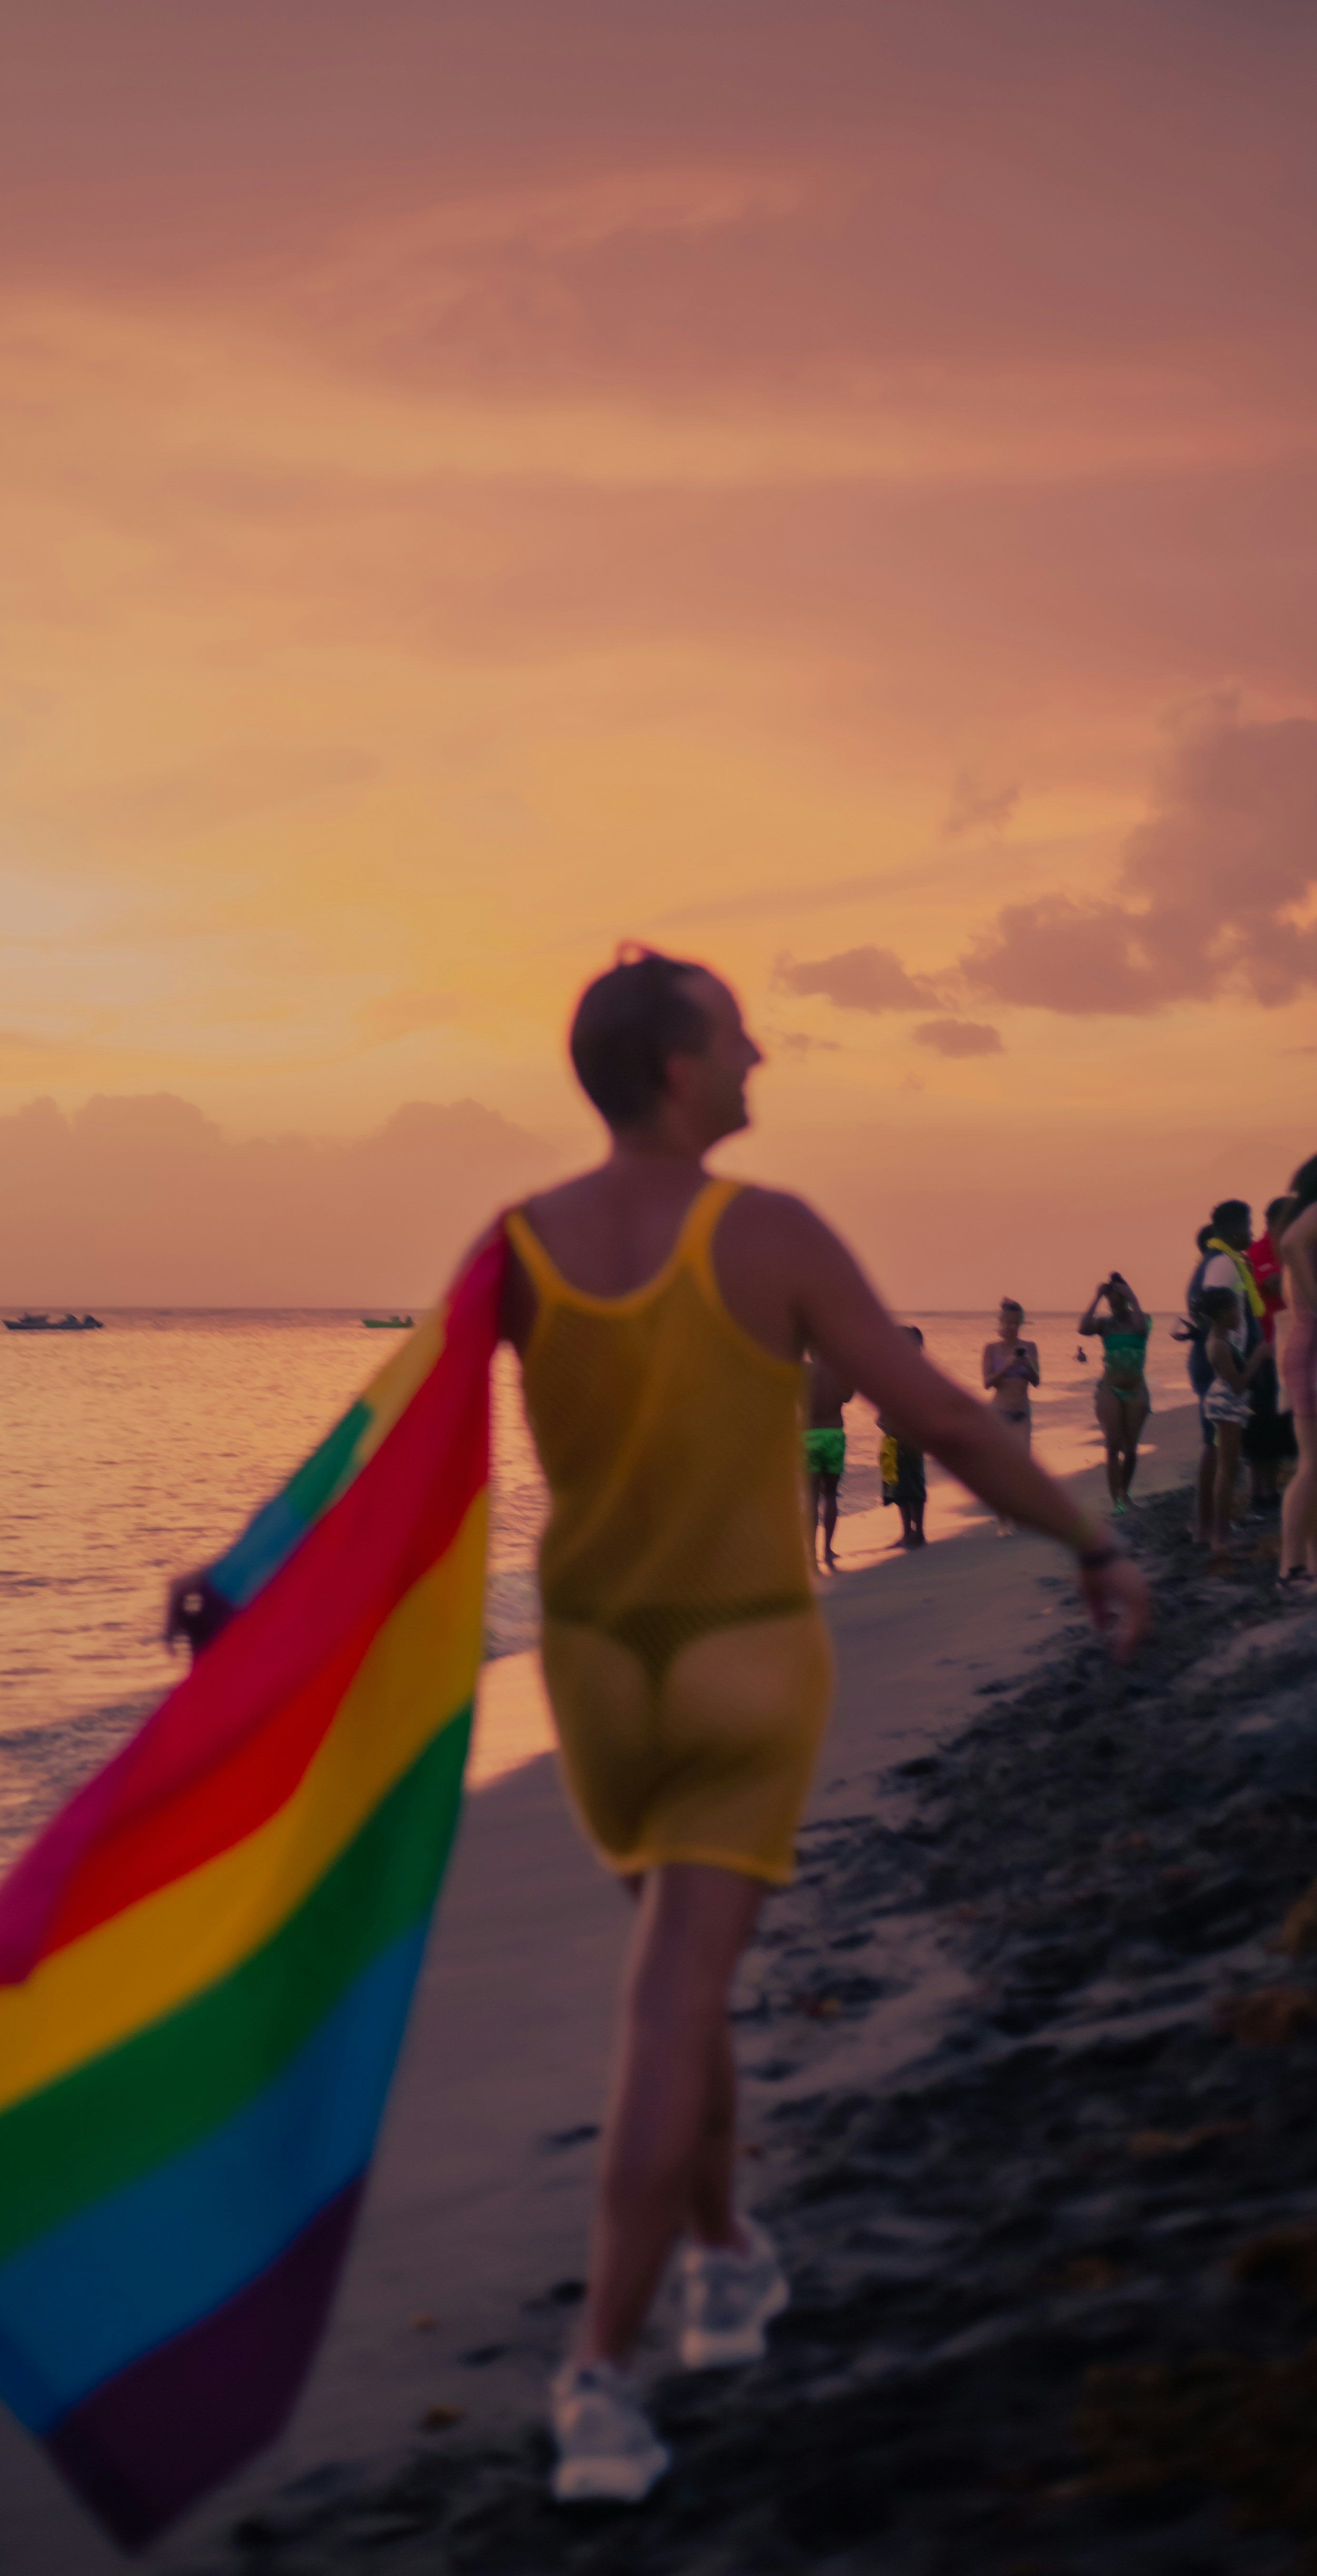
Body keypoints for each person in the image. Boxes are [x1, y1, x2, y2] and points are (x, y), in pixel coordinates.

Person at [488, 947, 1148, 2504]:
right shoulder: (763, 1231)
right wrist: (1091, 1541)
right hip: (737, 1652)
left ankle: (723, 2258)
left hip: (588, 1661)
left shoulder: (514, 1244)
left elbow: (392, 1439)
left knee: (679, 1967)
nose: (758, 1059)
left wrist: (248, 1578)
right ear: (672, 1067)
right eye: (734, 1038)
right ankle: (596, 2372)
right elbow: (937, 1413)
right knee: (669, 1992)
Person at [1176, 1201, 1264, 1544]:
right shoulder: (1223, 1265)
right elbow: (1211, 1308)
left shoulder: (1220, 1260)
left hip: (1218, 1362)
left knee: (1215, 1448)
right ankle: (1210, 1527)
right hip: (1219, 1369)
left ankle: (1207, 1525)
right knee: (1217, 1451)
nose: (1251, 1233)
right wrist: (1244, 1355)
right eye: (1247, 1226)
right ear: (1230, 1229)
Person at [1199, 1287, 1273, 1554]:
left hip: (1228, 1404)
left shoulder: (1221, 1338)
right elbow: (1238, 1385)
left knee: (1229, 1468)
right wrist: (1259, 1356)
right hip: (1227, 1405)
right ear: (1221, 1313)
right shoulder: (1219, 1345)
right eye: (1234, 1309)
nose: (1239, 1314)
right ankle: (1221, 1537)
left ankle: (1224, 1529)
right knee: (1227, 1470)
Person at [1078, 1273, 1152, 1511]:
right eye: (1111, 1300)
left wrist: (1132, 1295)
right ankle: (1116, 1502)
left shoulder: (1143, 1319)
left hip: (1137, 1391)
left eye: (1118, 1298)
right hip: (1110, 1389)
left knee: (1130, 1450)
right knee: (1112, 1446)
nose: (1114, 1304)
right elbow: (1083, 1328)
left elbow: (1141, 1329)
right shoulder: (1105, 1324)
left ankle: (1125, 1493)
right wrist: (1097, 1296)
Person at [1277, 1156, 1317, 1587]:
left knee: (1314, 1466)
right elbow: (1290, 1244)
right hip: (1311, 1351)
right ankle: (1292, 1568)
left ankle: (1309, 1565)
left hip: (1305, 1348)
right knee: (1312, 1467)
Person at [1245, 1197, 1297, 1511]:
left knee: (1283, 1428)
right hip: (1264, 1351)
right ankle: (1258, 1495)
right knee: (1261, 1427)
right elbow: (1274, 1284)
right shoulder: (1258, 1253)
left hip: (1292, 1351)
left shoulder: (1294, 1249)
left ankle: (1273, 1493)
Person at [982, 1299, 1039, 1534]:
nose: (1013, 1326)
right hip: (999, 1413)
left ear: (1021, 1323)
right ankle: (1003, 1520)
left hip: (1022, 1412)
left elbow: (1037, 1381)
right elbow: (987, 1383)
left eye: (1017, 1322)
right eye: (1008, 1321)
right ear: (1001, 1322)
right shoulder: (992, 1349)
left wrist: (1027, 1364)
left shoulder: (1030, 1347)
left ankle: (1021, 1515)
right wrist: (1007, 1365)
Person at [877, 1327, 928, 1547]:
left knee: (913, 1486)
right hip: (894, 1436)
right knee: (898, 1486)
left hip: (911, 1437)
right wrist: (882, 1419)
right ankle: (908, 1532)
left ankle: (918, 1532)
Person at [805, 1354, 854, 1570]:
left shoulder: (802, 1371)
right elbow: (848, 1396)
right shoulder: (838, 1371)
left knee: (812, 1497)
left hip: (809, 1436)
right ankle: (828, 1550)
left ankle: (811, 1554)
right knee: (831, 1495)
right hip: (834, 1434)